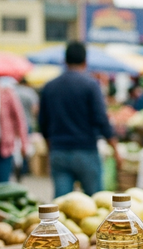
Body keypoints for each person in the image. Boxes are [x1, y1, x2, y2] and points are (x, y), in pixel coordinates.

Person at [39, 42, 122, 197]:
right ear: (85, 61)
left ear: (65, 61)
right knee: (95, 202)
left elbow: (43, 123)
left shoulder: (50, 86)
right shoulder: (90, 85)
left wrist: (50, 148)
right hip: (86, 150)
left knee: (62, 204)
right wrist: (115, 149)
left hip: (59, 151)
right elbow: (101, 119)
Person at [0, 60, 28, 186]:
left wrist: (24, 143)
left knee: (1, 183)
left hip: (3, 146)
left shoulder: (5, 93)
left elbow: (19, 118)